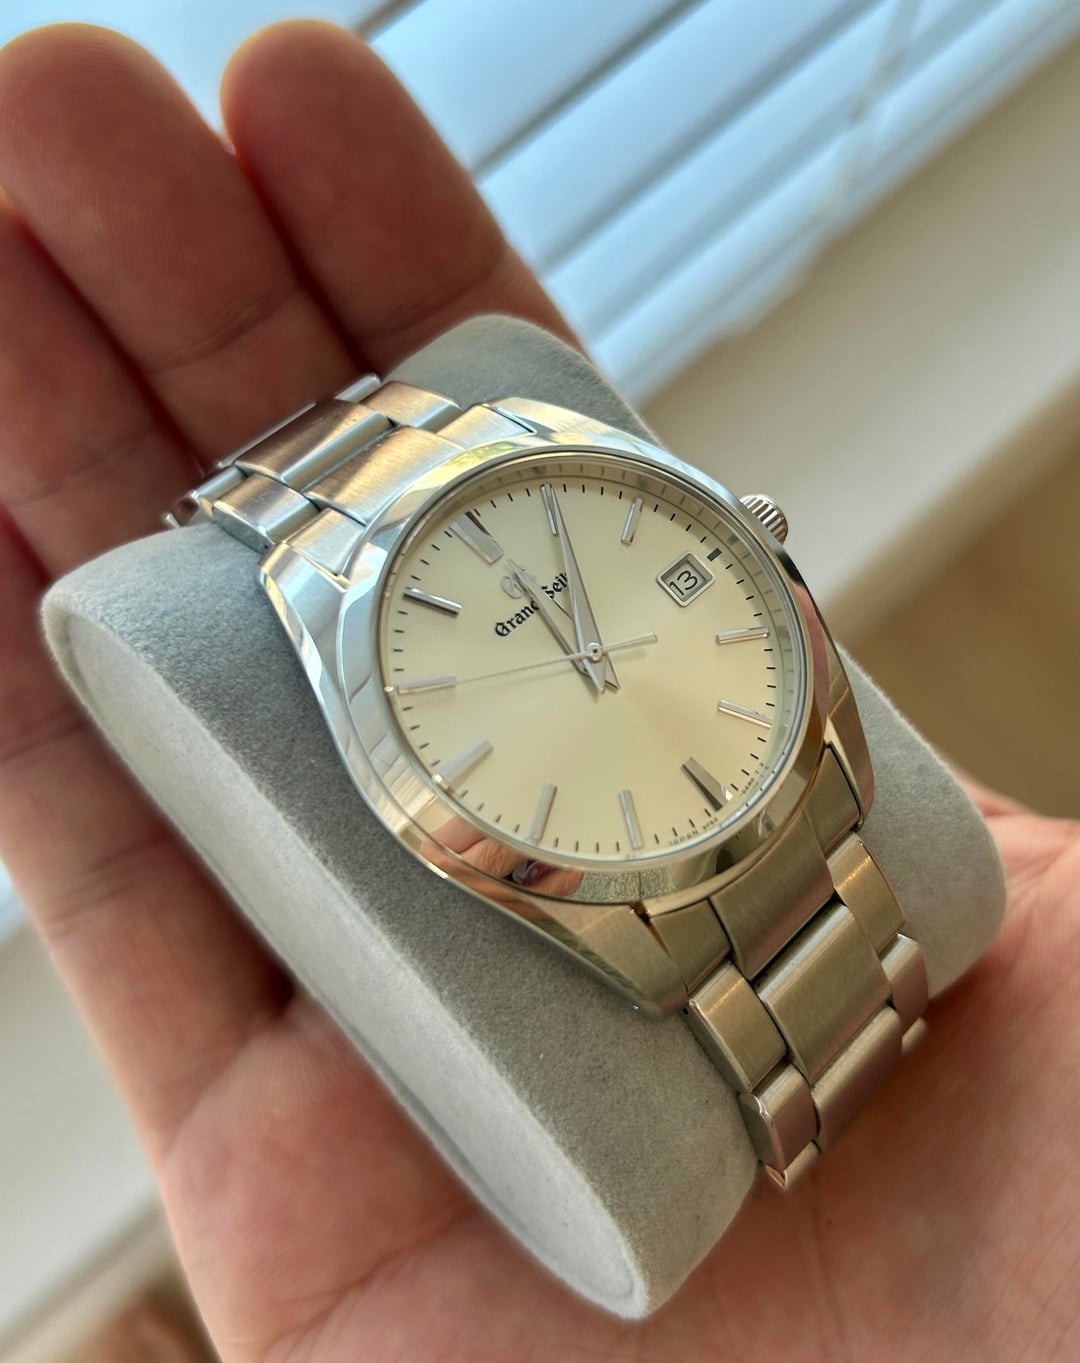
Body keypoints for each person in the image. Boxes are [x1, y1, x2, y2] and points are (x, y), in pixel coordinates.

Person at [0, 20, 1076, 1362]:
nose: (586, 660)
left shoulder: (576, 482)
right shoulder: (391, 713)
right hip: (619, 857)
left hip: (737, 766)